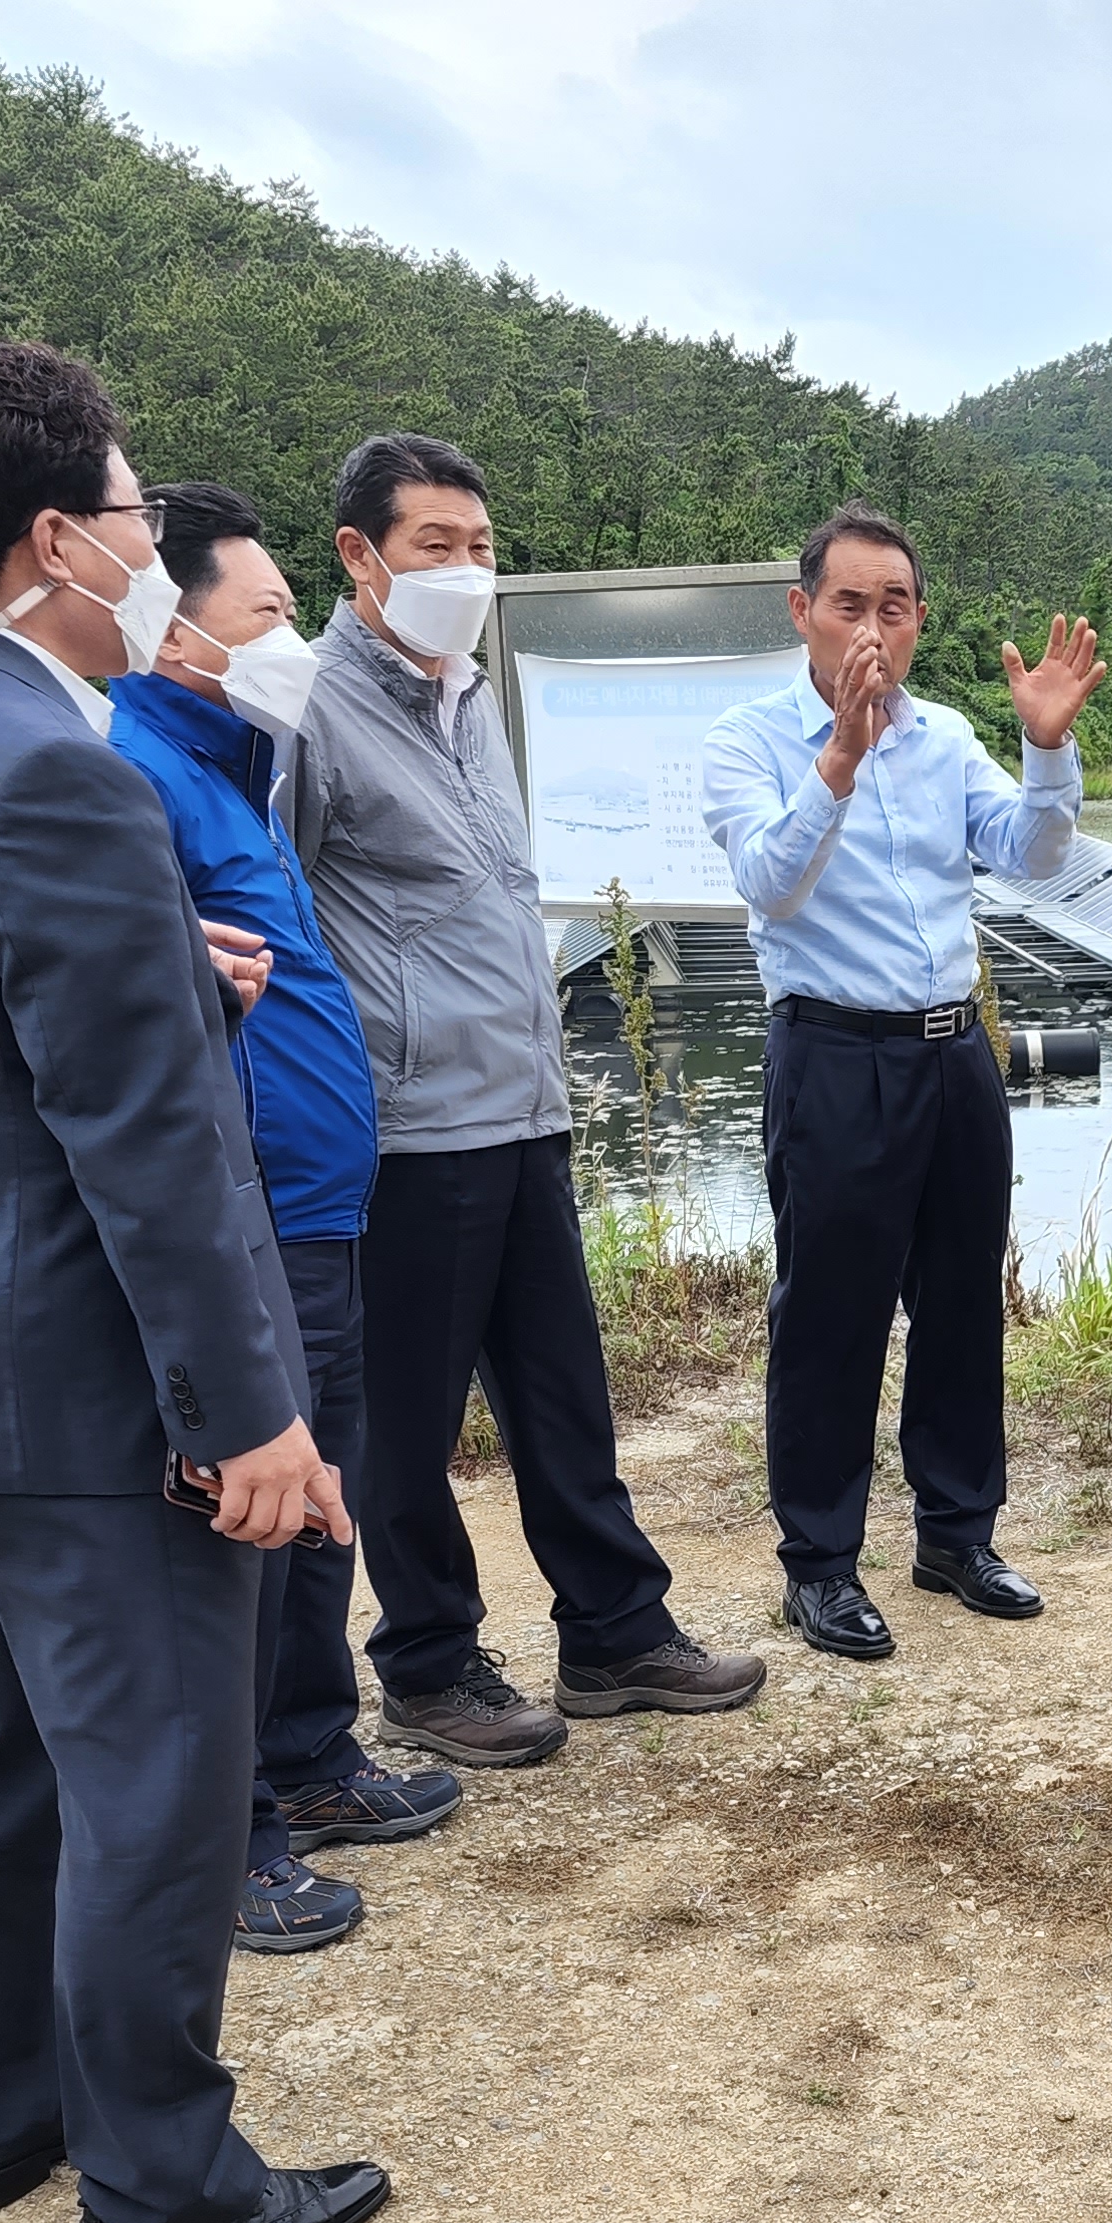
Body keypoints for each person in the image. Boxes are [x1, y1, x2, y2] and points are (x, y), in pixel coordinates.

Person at [0, 333, 384, 2223]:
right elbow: (142, 1148)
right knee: (152, 1779)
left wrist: (165, 987)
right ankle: (157, 2191)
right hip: (82, 1386)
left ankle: (5, 2119)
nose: (154, 549)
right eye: (138, 517)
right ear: (54, 538)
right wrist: (251, 1417)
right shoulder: (53, 766)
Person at [290, 433, 764, 1751]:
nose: (466, 570)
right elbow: (280, 919)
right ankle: (429, 1662)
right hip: (412, 1124)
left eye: (483, 548)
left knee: (565, 1393)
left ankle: (614, 1632)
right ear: (359, 556)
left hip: (524, 1106)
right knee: (410, 1423)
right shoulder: (313, 714)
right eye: (436, 545)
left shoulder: (466, 696)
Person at [112, 480, 468, 1956]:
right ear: (173, 626)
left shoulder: (237, 757)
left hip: (324, 1202)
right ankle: (234, 1829)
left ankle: (313, 1758)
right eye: (268, 617)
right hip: (250, 1206)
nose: (293, 645)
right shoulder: (136, 771)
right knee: (246, 1520)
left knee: (324, 1489)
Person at [700, 505, 1111, 1659]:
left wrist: (1044, 748)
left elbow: (1029, 856)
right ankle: (820, 1563)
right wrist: (837, 757)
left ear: (919, 618)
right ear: (803, 612)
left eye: (894, 607)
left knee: (962, 1299)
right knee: (829, 1315)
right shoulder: (747, 740)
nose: (872, 627)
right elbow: (770, 886)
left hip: (954, 1052)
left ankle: (955, 1534)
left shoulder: (942, 735)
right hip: (833, 1052)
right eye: (849, 604)